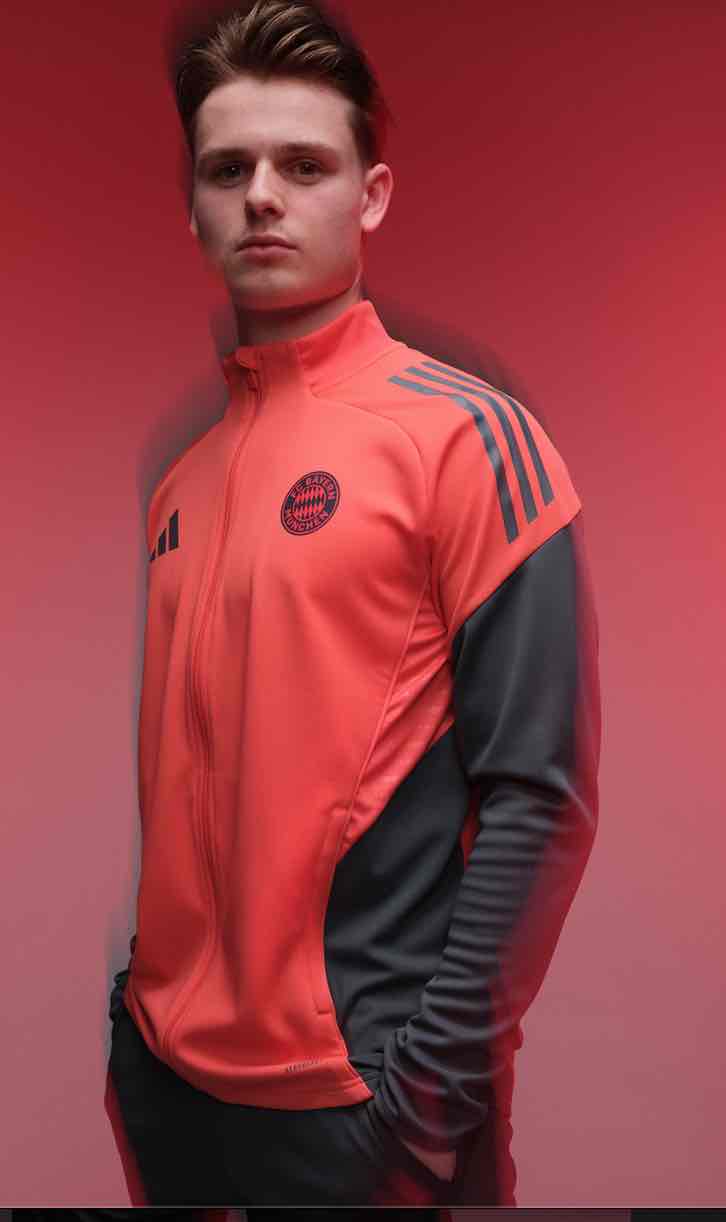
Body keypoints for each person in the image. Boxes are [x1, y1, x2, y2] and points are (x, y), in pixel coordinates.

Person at [103, 0, 602, 1216]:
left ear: (370, 196)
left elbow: (541, 797)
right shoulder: (184, 481)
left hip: (356, 1108)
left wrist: (425, 1100)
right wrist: (135, 1026)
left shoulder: (467, 438)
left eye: (304, 165)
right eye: (229, 170)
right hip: (171, 1088)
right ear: (194, 206)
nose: (263, 198)